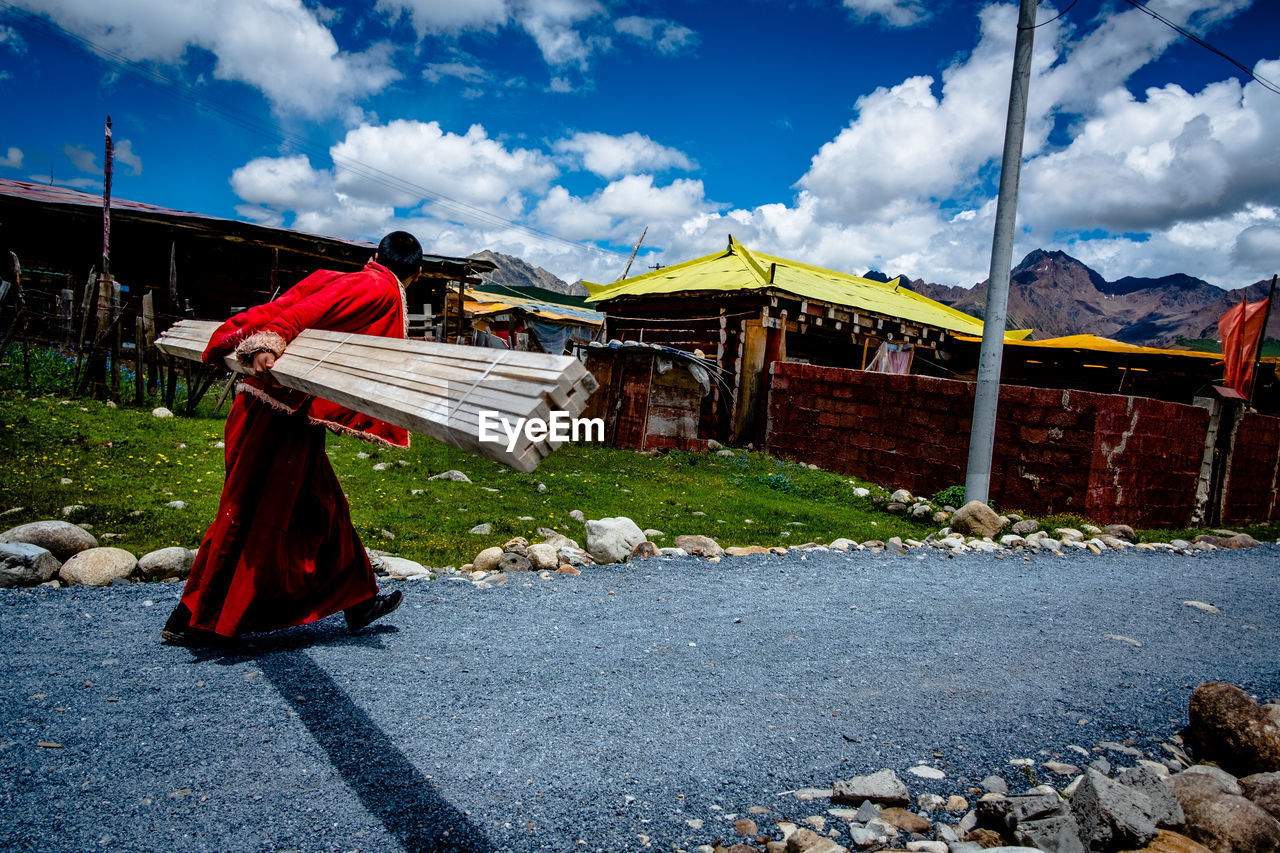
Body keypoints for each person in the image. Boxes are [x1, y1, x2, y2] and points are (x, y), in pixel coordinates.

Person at [162, 231, 424, 646]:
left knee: (326, 507)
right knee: (249, 512)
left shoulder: (356, 278)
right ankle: (195, 617)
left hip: (288, 413)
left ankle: (359, 599)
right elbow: (300, 310)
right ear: (418, 273)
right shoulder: (376, 287)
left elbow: (295, 299)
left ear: (375, 255)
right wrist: (271, 340)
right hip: (274, 414)